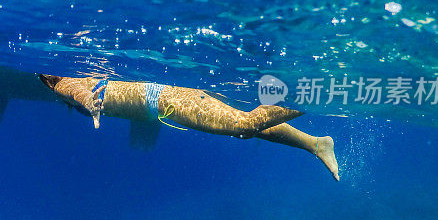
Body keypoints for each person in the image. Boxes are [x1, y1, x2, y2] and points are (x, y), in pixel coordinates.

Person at [39, 74, 339, 181]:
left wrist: (90, 104)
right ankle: (316, 144)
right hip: (171, 102)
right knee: (246, 126)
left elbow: (75, 92)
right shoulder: (79, 74)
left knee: (244, 125)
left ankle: (317, 94)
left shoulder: (62, 83)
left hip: (171, 103)